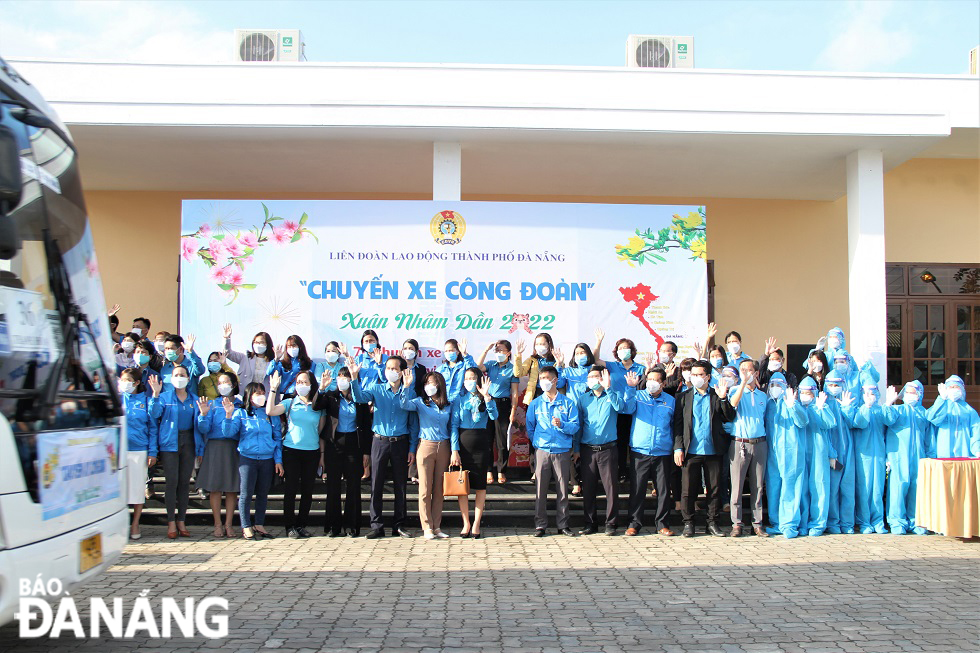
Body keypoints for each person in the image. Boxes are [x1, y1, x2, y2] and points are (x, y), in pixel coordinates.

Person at [350, 355, 413, 539]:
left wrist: (412, 448)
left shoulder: (408, 391)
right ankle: (376, 525)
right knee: (376, 483)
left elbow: (409, 414)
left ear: (402, 372)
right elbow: (359, 397)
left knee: (400, 485)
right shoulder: (376, 389)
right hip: (379, 441)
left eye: (395, 369)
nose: (391, 372)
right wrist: (354, 378)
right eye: (388, 368)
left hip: (401, 442)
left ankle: (399, 525)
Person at [672, 361, 734, 538]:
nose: (696, 378)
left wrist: (723, 399)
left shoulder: (717, 395)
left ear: (707, 376)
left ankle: (712, 523)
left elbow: (729, 417)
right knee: (688, 489)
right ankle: (688, 523)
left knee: (714, 489)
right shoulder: (683, 397)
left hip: (713, 449)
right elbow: (677, 426)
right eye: (693, 374)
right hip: (690, 450)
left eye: (700, 375)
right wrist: (678, 448)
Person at [222, 378, 284, 540]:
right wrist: (228, 416)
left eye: (263, 393)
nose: (261, 396)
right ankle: (246, 526)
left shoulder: (269, 414)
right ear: (249, 396)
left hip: (267, 459)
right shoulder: (240, 413)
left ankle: (259, 523)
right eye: (258, 393)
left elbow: (277, 437)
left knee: (263, 493)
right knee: (246, 493)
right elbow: (229, 433)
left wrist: (278, 460)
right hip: (247, 458)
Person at [148, 365, 201, 539]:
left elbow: (199, 427)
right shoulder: (164, 397)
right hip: (170, 442)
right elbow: (154, 414)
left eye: (183, 375)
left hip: (189, 442)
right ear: (171, 378)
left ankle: (181, 520)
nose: (180, 377)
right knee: (172, 482)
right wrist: (155, 394)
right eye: (176, 375)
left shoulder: (194, 399)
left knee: (185, 483)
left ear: (188, 377)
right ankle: (171, 521)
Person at [401, 369, 454, 540]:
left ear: (439, 385)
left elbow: (452, 427)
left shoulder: (448, 404)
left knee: (439, 490)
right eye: (426, 383)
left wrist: (454, 450)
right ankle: (426, 527)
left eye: (432, 383)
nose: (429, 386)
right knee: (425, 489)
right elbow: (403, 404)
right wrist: (407, 387)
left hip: (444, 447)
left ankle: (437, 526)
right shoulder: (420, 402)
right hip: (425, 446)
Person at [621, 367, 675, 536]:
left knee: (664, 490)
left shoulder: (671, 401)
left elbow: (675, 425)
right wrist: (630, 388)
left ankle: (662, 524)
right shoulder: (638, 396)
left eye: (656, 380)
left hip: (663, 451)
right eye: (649, 379)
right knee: (637, 490)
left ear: (663, 383)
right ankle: (634, 523)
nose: (651, 383)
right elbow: (626, 409)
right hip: (640, 450)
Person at [527, 366, 580, 537]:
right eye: (541, 378)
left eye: (546, 377)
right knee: (540, 490)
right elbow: (530, 427)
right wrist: (537, 443)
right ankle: (540, 525)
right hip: (542, 451)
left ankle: (563, 525)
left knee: (563, 490)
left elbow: (575, 426)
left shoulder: (568, 403)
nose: (543, 381)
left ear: (555, 380)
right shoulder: (535, 403)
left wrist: (562, 425)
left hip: (562, 451)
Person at [573, 366, 623, 535]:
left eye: (597, 376)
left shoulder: (612, 395)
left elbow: (621, 408)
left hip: (608, 449)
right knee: (588, 489)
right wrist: (576, 448)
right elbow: (578, 425)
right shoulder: (583, 399)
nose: (593, 379)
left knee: (611, 489)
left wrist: (609, 388)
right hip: (587, 450)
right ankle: (590, 523)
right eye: (590, 376)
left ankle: (611, 523)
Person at [315, 366, 365, 537]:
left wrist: (366, 452)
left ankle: (352, 526)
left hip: (353, 444)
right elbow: (316, 405)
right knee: (333, 487)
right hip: (334, 444)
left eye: (347, 377)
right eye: (340, 377)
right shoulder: (331, 397)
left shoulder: (359, 398)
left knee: (353, 486)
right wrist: (321, 387)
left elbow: (365, 425)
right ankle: (333, 527)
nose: (343, 380)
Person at [276, 370, 325, 539]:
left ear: (311, 384)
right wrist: (273, 389)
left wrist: (321, 455)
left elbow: (320, 431)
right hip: (291, 451)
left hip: (311, 452)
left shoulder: (318, 406)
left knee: (307, 491)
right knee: (290, 490)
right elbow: (270, 411)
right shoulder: (290, 402)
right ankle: (289, 526)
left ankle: (301, 524)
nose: (301, 385)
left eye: (305, 382)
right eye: (298, 382)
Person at [450, 367, 498, 538]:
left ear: (478, 380)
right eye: (466, 378)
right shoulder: (459, 399)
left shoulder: (485, 398)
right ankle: (466, 522)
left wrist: (487, 397)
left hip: (481, 443)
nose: (469, 381)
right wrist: (454, 450)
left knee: (479, 486)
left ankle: (477, 523)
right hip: (463, 445)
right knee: (462, 487)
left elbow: (494, 416)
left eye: (472, 378)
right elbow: (454, 425)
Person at [882, 381, 934, 535]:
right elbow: (887, 420)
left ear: (920, 395)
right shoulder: (897, 410)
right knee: (898, 488)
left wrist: (930, 457)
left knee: (917, 489)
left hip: (919, 457)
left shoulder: (924, 413)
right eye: (908, 392)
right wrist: (888, 404)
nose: (911, 395)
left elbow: (929, 438)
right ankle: (896, 521)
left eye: (914, 392)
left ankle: (916, 521)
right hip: (898, 456)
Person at [195, 372, 242, 538]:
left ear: (234, 384)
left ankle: (229, 524)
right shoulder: (212, 404)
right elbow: (204, 429)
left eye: (226, 382)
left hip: (233, 448)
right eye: (220, 383)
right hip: (214, 447)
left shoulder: (240, 404)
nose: (223, 385)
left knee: (231, 489)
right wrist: (203, 415)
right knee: (215, 488)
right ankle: (217, 524)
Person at [594, 330, 645, 482]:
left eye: (626, 348)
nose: (623, 351)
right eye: (620, 348)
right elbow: (595, 359)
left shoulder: (641, 368)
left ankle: (638, 473)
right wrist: (599, 341)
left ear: (632, 351)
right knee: (620, 442)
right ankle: (621, 471)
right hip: (616, 409)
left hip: (635, 410)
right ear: (616, 352)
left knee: (634, 441)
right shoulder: (612, 366)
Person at [726, 359, 769, 537]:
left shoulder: (762, 396)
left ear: (756, 373)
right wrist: (742, 383)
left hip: (759, 443)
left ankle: (757, 523)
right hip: (740, 443)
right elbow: (733, 405)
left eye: (748, 370)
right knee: (736, 485)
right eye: (742, 369)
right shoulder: (735, 390)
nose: (745, 372)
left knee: (758, 485)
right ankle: (737, 523)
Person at [841, 373, 888, 534]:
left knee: (877, 488)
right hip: (863, 456)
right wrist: (866, 408)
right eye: (867, 392)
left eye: (873, 392)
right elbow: (858, 423)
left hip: (879, 455)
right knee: (864, 488)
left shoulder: (882, 410)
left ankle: (878, 520)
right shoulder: (858, 409)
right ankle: (864, 521)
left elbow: (889, 431)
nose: (870, 396)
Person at [762, 374, 807, 538]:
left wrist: (793, 405)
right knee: (774, 487)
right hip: (772, 453)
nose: (775, 388)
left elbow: (803, 422)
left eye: (779, 384)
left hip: (791, 452)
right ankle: (776, 522)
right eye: (772, 384)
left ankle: (790, 523)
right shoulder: (767, 405)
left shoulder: (792, 402)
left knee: (791, 487)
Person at [120, 368, 157, 540]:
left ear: (135, 383)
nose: (124, 383)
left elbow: (152, 429)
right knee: (119, 490)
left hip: (138, 450)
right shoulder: (117, 400)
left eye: (127, 380)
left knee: (136, 490)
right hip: (118, 451)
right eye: (122, 380)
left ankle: (135, 524)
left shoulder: (145, 401)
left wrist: (152, 452)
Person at [798, 377, 837, 537]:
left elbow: (830, 424)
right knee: (801, 489)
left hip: (819, 454)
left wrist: (821, 409)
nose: (805, 395)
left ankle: (818, 523)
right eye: (803, 393)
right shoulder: (796, 407)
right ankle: (802, 522)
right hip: (800, 454)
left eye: (809, 393)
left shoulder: (821, 406)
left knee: (819, 487)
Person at [477, 339, 519, 484]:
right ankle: (489, 470)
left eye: (501, 350)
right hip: (489, 402)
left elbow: (514, 392)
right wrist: (486, 350)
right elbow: (477, 367)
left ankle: (501, 471)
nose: (499, 353)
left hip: (503, 405)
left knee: (502, 441)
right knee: (487, 439)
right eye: (497, 350)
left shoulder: (513, 369)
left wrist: (513, 410)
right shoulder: (490, 365)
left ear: (508, 353)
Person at [823, 370, 856, 534]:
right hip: (834, 452)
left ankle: (848, 523)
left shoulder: (848, 400)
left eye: (837, 384)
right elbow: (825, 431)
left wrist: (848, 408)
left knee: (848, 488)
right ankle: (833, 522)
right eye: (831, 385)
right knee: (833, 489)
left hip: (849, 451)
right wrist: (831, 453)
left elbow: (853, 423)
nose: (834, 388)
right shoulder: (823, 403)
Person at [927, 375, 980, 457]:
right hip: (943, 453)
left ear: (962, 389)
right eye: (951, 387)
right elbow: (932, 419)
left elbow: (976, 432)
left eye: (956, 387)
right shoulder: (940, 406)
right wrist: (941, 399)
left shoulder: (969, 411)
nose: (953, 389)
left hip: (964, 453)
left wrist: (977, 450)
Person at [400, 338, 427, 485]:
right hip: (401, 404)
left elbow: (422, 388)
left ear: (416, 352)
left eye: (411, 348)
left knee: (415, 436)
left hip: (416, 406)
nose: (408, 351)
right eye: (405, 348)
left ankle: (414, 472)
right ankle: (401, 470)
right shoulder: (399, 366)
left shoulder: (421, 369)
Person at [222, 324, 275, 393]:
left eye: (261, 342)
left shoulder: (273, 362)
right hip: (246, 396)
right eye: (255, 342)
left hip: (265, 398)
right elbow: (228, 353)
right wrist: (227, 338)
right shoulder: (245, 358)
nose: (258, 344)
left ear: (267, 344)